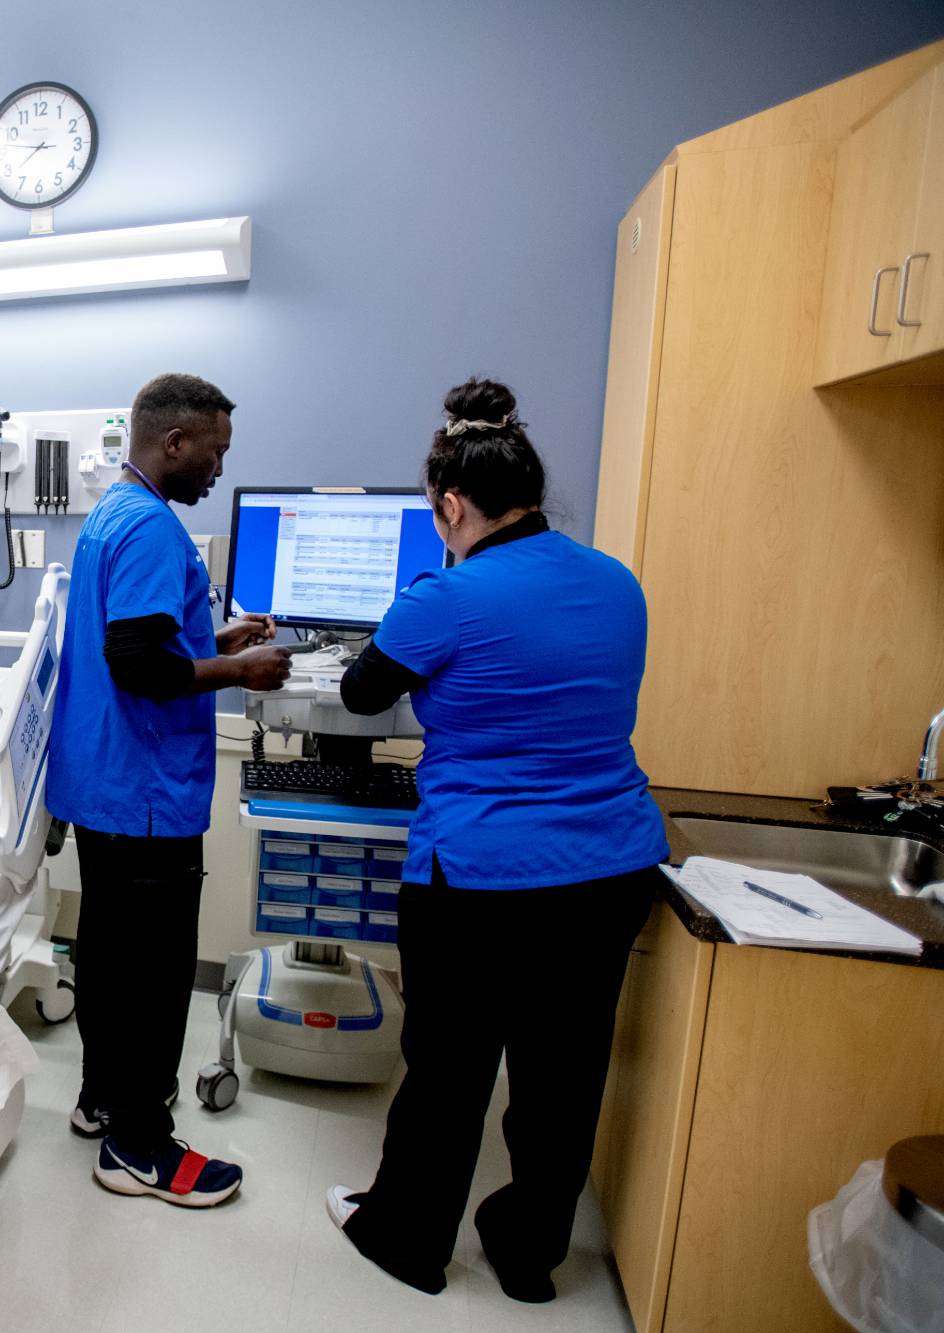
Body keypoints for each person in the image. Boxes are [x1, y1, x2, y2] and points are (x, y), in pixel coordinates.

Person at [324, 378, 669, 1300]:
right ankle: (527, 1255)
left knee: (448, 1066)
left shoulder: (448, 594)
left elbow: (361, 692)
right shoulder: (617, 579)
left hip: (480, 872)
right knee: (564, 1073)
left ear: (450, 504)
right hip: (609, 865)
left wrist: (421, 607)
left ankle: (406, 1238)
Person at [45, 372, 293, 1208]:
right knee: (150, 976)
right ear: (175, 442)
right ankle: (140, 1147)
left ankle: (103, 1101)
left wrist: (215, 639)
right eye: (215, 452)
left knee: (110, 955)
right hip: (144, 788)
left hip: (106, 782)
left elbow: (143, 637)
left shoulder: (115, 511)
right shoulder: (152, 527)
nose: (219, 470)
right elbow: (141, 665)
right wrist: (241, 667)